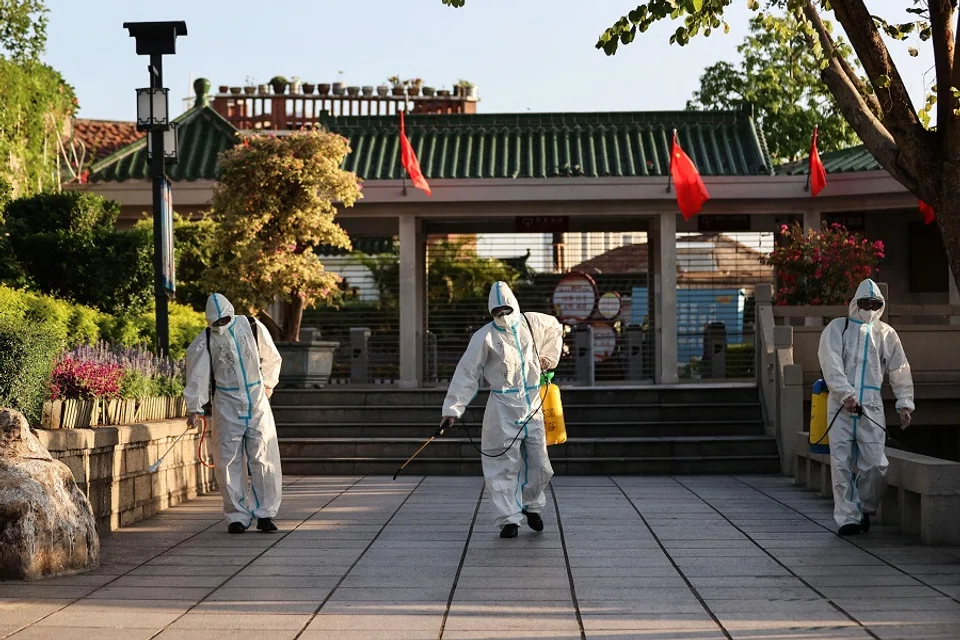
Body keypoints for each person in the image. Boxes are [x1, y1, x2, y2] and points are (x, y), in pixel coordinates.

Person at [439, 281, 564, 538]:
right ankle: (509, 519)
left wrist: (549, 361)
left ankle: (531, 505)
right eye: (498, 311)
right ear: (491, 311)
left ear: (514, 305)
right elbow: (467, 373)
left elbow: (556, 328)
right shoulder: (485, 336)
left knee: (541, 465)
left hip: (532, 403)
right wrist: (452, 409)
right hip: (502, 406)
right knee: (501, 463)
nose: (503, 315)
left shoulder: (532, 323)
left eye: (507, 309)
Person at [818, 278, 914, 536]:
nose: (870, 308)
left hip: (870, 405)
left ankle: (862, 507)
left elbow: (899, 369)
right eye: (865, 303)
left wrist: (904, 403)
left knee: (876, 464)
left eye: (874, 303)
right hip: (840, 405)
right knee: (841, 463)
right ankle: (847, 518)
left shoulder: (887, 334)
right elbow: (831, 363)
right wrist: (845, 394)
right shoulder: (838, 329)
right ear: (855, 303)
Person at [184, 293, 284, 534]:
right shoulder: (206, 340)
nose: (221, 324)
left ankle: (265, 513)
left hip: (256, 400)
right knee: (228, 460)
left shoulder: (252, 326)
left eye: (224, 319)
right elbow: (197, 374)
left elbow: (271, 356)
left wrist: (269, 383)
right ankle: (236, 516)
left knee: (263, 456)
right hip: (227, 404)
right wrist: (194, 408)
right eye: (216, 321)